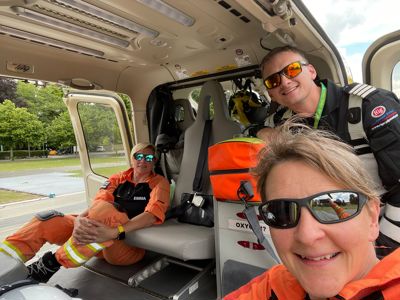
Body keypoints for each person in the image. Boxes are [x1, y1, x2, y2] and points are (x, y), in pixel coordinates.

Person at [224, 122, 400, 300]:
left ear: (371, 218)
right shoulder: (274, 286)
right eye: (282, 211)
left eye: (332, 206)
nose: (307, 235)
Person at [257, 45, 400, 257]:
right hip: (325, 224)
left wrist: (382, 246)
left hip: (381, 223)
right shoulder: (282, 123)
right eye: (273, 81)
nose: (285, 81)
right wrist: (262, 131)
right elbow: (249, 131)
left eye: (293, 69)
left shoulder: (370, 106)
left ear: (311, 71)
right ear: (271, 93)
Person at [0, 143, 170, 283]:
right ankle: (4, 265)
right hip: (96, 243)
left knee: (108, 211)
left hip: (125, 246)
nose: (143, 161)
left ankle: (49, 265)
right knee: (48, 219)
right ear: (132, 158)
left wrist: (114, 232)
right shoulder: (117, 178)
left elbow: (151, 215)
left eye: (148, 158)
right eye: (138, 156)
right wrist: (80, 220)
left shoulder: (159, 183)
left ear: (154, 161)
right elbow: (98, 203)